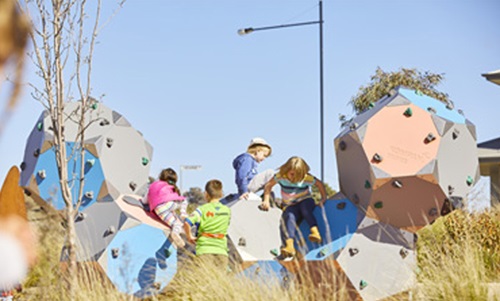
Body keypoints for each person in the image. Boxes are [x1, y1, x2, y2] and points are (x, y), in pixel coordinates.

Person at [260, 156, 327, 258]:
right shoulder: (281, 176)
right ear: (287, 170)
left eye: (298, 175)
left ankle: (315, 231)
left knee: (305, 210)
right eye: (292, 174)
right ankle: (289, 245)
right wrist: (266, 200)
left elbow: (319, 184)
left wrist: (323, 198)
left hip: (305, 200)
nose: (294, 178)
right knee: (290, 217)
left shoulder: (306, 178)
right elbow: (268, 186)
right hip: (290, 204)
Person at [183, 179, 231, 270]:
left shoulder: (202, 209)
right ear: (221, 194)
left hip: (204, 250)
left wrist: (189, 237)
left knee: (203, 282)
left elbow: (187, 222)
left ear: (206, 194)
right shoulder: (227, 211)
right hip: (222, 251)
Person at [147, 168, 187, 248]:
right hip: (169, 205)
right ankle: (183, 215)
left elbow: (146, 199)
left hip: (158, 209)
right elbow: (175, 198)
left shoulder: (154, 185)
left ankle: (176, 231)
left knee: (174, 222)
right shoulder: (171, 187)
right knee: (184, 200)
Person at [227, 137, 274, 203]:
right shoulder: (247, 159)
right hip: (247, 185)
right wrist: (244, 191)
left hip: (247, 186)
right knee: (270, 173)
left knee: (269, 180)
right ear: (258, 151)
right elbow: (242, 176)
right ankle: (269, 198)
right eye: (264, 155)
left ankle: (266, 196)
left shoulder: (250, 161)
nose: (264, 159)